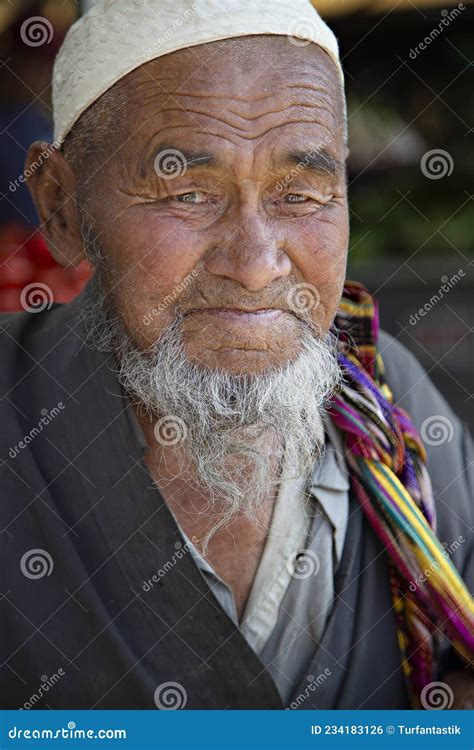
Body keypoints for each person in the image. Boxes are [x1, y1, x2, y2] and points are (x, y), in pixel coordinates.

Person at [0, 0, 472, 710]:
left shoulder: (390, 403)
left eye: (303, 193)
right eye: (188, 193)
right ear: (62, 207)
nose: (256, 264)